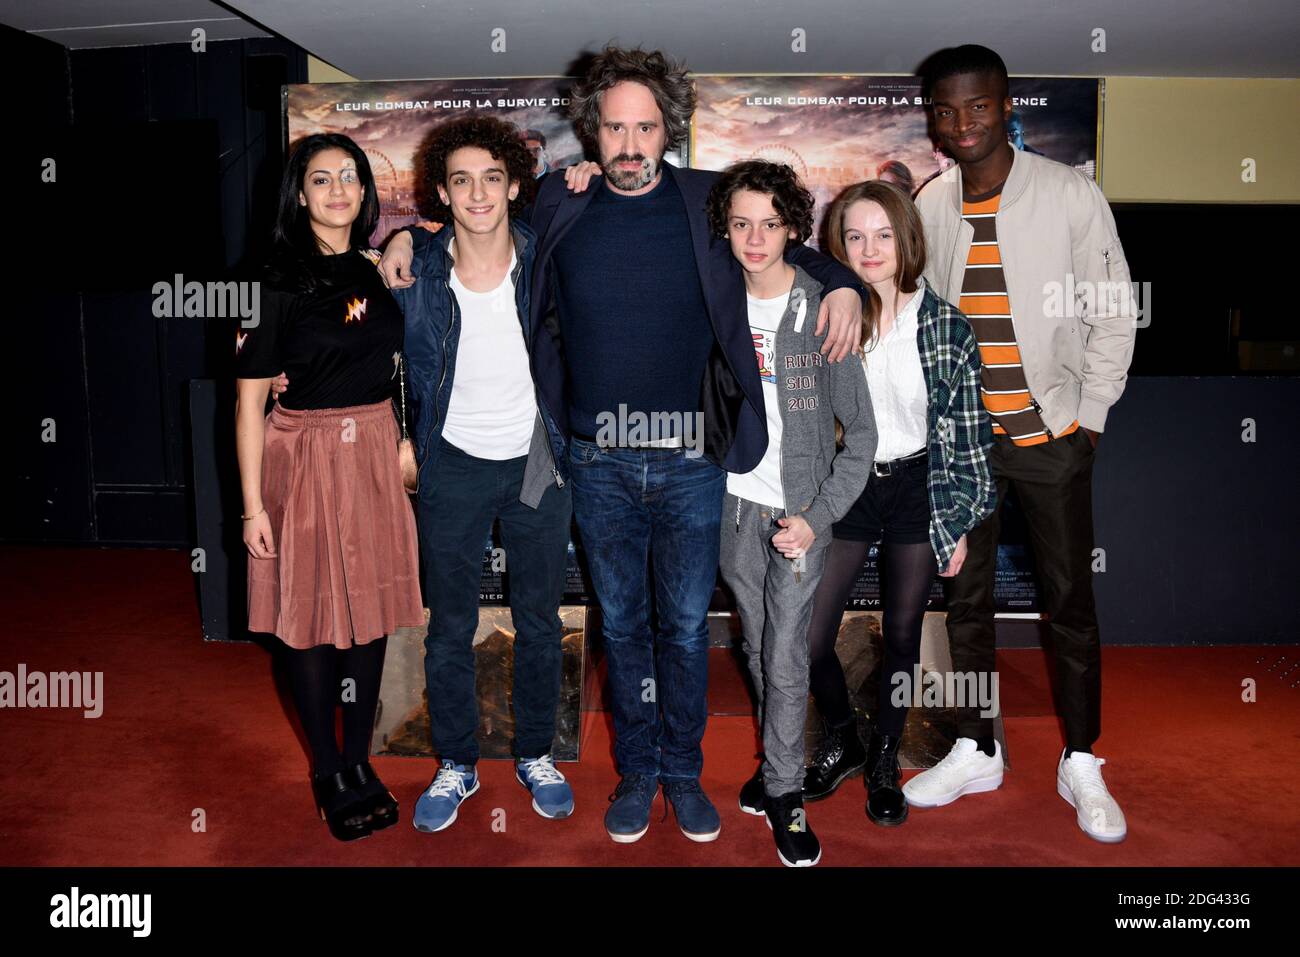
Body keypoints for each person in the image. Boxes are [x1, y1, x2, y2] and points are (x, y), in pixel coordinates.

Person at [380, 46, 868, 845]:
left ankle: (683, 772)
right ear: (591, 133)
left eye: (646, 127)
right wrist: (406, 236)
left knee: (684, 630)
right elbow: (468, 217)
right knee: (624, 628)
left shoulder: (709, 201)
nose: (632, 144)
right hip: (593, 460)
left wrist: (843, 280)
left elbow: (782, 240)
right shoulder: (556, 203)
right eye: (616, 128)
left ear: (667, 128)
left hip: (691, 462)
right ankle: (638, 772)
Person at [273, 116, 576, 833]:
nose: (478, 193)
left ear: (513, 187)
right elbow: (364, 345)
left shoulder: (546, 258)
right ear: (441, 190)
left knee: (540, 619)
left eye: (492, 178)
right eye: (462, 179)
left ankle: (535, 752)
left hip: (539, 460)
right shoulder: (410, 267)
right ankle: (458, 762)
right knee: (450, 628)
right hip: (451, 463)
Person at [910, 44, 1137, 843]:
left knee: (1068, 600)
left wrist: (1091, 418)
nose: (961, 122)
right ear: (931, 117)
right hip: (965, 445)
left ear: (1007, 107)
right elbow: (920, 320)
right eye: (945, 108)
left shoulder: (1070, 194)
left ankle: (1081, 758)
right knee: (964, 601)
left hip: (1050, 436)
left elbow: (1113, 308)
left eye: (977, 106)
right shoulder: (932, 204)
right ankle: (977, 744)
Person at [235, 132, 424, 842]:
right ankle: (326, 769)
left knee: (369, 615)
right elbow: (248, 400)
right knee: (311, 618)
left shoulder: (377, 266)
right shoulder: (271, 281)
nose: (339, 189)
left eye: (350, 175)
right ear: (300, 194)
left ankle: (356, 756)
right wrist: (253, 506)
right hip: (305, 454)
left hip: (374, 450)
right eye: (321, 179)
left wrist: (404, 235)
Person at [795, 180, 995, 827]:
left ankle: (884, 755)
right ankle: (845, 735)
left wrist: (956, 520)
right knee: (810, 633)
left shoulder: (946, 326)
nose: (869, 247)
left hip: (918, 486)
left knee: (904, 634)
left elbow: (968, 438)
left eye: (882, 233)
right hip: (848, 482)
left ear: (906, 237)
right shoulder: (827, 314)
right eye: (854, 235)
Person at [709, 161, 876, 866]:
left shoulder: (822, 305)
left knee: (784, 653)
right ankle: (774, 765)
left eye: (770, 223)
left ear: (792, 229)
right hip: (729, 506)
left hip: (798, 515)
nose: (754, 238)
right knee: (754, 644)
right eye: (741, 222)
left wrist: (818, 515)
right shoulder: (713, 296)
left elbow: (861, 434)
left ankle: (785, 790)